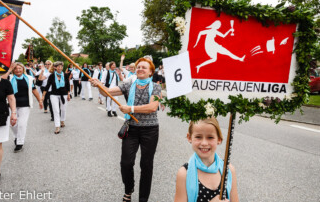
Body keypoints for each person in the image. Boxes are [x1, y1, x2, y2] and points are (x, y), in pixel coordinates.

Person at [90, 57, 161, 202]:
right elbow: (108, 92)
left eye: (144, 67)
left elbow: (153, 107)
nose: (140, 69)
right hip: (132, 129)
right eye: (138, 67)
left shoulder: (156, 87)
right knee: (126, 163)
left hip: (150, 130)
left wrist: (131, 108)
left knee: (146, 165)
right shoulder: (129, 84)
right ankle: (129, 189)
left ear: (150, 72)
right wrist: (99, 85)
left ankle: (143, 199)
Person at [174, 117, 239, 202]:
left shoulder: (228, 169)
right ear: (189, 137)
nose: (204, 143)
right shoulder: (184, 174)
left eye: (210, 137)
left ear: (219, 139)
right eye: (198, 137)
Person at [2, 62, 43, 152]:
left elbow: (34, 90)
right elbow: (1, 79)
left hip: (25, 104)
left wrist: (40, 100)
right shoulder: (10, 78)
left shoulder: (28, 78)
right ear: (13, 70)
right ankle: (17, 136)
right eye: (16, 68)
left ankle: (20, 142)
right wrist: (9, 70)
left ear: (23, 69)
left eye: (20, 68)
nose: (18, 70)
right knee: (12, 123)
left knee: (22, 124)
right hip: (11, 104)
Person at [42, 61, 71, 134]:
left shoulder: (65, 75)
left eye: (61, 66)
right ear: (55, 67)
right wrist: (43, 95)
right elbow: (47, 85)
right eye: (58, 66)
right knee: (56, 110)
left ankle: (62, 120)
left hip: (63, 94)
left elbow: (67, 85)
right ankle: (57, 126)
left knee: (63, 109)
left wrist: (68, 94)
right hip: (54, 94)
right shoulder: (52, 76)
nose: (60, 67)